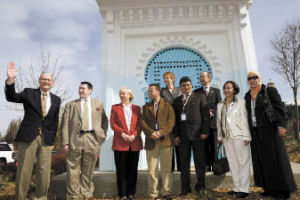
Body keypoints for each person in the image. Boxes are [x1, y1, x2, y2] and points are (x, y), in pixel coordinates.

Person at [5, 62, 61, 200]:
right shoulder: (29, 93)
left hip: (46, 140)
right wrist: (10, 81)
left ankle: (41, 197)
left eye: (49, 80)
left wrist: (52, 137)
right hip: (28, 136)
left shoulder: (56, 99)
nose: (46, 81)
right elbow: (12, 97)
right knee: (24, 170)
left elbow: (55, 121)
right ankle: (21, 197)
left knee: (44, 171)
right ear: (39, 81)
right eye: (44, 79)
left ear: (52, 82)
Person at [245, 71, 296, 200]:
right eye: (250, 78)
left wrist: (281, 125)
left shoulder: (269, 91)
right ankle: (269, 188)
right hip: (256, 133)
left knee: (277, 160)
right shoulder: (247, 96)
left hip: (271, 130)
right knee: (263, 161)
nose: (253, 80)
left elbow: (280, 108)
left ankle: (284, 191)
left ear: (260, 78)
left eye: (255, 77)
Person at [61, 81, 108, 200]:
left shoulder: (98, 104)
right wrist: (65, 142)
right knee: (73, 168)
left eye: (83, 88)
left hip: (92, 139)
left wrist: (101, 136)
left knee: (89, 167)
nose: (80, 90)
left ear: (90, 90)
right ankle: (73, 195)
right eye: (79, 88)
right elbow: (65, 125)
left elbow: (104, 121)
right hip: (75, 139)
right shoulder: (70, 105)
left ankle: (86, 193)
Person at [173, 76, 209, 196]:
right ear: (181, 87)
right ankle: (185, 187)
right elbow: (175, 121)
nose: (186, 87)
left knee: (199, 162)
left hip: (198, 135)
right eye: (183, 85)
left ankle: (201, 186)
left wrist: (205, 131)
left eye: (188, 85)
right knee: (184, 163)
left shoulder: (200, 97)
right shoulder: (177, 101)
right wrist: (176, 135)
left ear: (191, 85)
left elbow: (205, 116)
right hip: (183, 137)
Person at [217, 81, 251, 198]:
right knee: (232, 162)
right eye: (224, 88)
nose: (226, 90)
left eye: (229, 88)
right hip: (227, 138)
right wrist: (220, 136)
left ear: (234, 90)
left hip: (239, 136)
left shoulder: (241, 103)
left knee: (243, 162)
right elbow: (219, 122)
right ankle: (237, 186)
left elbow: (244, 120)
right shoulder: (220, 104)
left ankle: (244, 188)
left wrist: (246, 136)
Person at [141, 83, 175, 200]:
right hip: (151, 141)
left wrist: (160, 132)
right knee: (152, 169)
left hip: (166, 140)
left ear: (158, 91)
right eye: (148, 91)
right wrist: (152, 133)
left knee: (166, 168)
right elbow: (143, 122)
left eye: (151, 91)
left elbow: (171, 122)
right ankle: (153, 193)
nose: (149, 93)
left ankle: (166, 192)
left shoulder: (168, 105)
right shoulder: (145, 107)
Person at [110, 87, 143, 200]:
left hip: (134, 143)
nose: (122, 95)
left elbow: (139, 124)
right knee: (121, 170)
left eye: (124, 94)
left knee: (133, 169)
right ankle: (122, 194)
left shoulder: (137, 108)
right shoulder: (115, 108)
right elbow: (113, 123)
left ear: (130, 95)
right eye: (121, 94)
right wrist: (122, 134)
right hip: (120, 142)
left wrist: (134, 134)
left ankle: (131, 193)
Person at [194, 71, 221, 172]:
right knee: (204, 146)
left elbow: (220, 105)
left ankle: (215, 165)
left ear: (209, 78)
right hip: (201, 125)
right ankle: (205, 165)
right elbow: (195, 107)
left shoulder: (216, 91)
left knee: (213, 146)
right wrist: (204, 113)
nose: (201, 78)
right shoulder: (196, 92)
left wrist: (212, 112)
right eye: (200, 77)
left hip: (213, 123)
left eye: (203, 76)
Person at [160, 71, 182, 172]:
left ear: (173, 79)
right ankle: (170, 167)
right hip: (167, 120)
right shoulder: (162, 91)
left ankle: (181, 166)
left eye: (168, 78)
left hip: (179, 119)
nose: (166, 80)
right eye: (165, 78)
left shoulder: (179, 89)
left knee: (179, 142)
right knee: (169, 144)